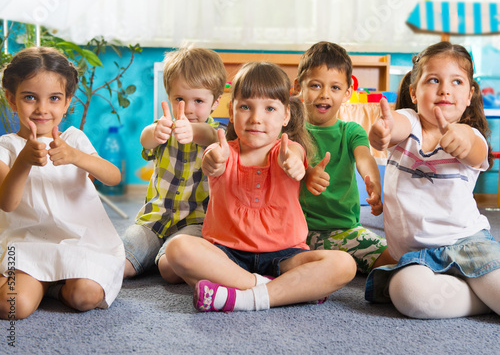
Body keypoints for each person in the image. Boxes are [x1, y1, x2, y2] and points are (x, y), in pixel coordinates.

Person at [165, 62, 357, 312]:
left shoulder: (288, 151)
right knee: (177, 247)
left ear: (286, 115)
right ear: (231, 112)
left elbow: (294, 158)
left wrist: (296, 166)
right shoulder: (222, 151)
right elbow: (213, 159)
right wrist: (213, 161)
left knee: (344, 264)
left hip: (285, 256)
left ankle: (241, 296)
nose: (256, 118)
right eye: (245, 107)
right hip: (226, 254)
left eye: (269, 108)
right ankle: (276, 290)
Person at [365, 41, 500, 319]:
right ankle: (478, 299)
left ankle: (481, 288)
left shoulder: (470, 134)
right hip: (418, 258)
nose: (445, 89)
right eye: (434, 80)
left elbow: (474, 151)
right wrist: (381, 131)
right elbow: (393, 126)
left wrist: (460, 139)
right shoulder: (408, 123)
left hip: (469, 245)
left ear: (469, 94)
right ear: (414, 92)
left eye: (457, 81)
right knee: (407, 293)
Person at [0, 47, 125, 320]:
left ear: (67, 102)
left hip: (80, 241)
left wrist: (75, 156)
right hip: (28, 244)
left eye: (54, 98)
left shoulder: (74, 138)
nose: (42, 109)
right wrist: (23, 161)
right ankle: (42, 281)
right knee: (12, 307)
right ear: (11, 99)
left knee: (85, 296)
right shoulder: (6, 147)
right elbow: (7, 203)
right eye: (30, 97)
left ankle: (55, 287)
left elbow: (113, 176)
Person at [121, 47, 226, 281]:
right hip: (154, 219)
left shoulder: (218, 134)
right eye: (179, 99)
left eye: (198, 101)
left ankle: (159, 256)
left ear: (215, 102)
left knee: (169, 269)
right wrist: (154, 132)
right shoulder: (164, 126)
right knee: (122, 263)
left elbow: (208, 134)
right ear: (169, 97)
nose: (187, 109)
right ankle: (148, 255)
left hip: (196, 222)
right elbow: (145, 139)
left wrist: (192, 131)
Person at [294, 41, 394, 273]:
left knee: (397, 258)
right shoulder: (290, 131)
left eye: (335, 88)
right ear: (299, 87)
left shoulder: (351, 131)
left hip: (345, 231)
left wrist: (373, 184)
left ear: (348, 93)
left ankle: (330, 264)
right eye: (316, 85)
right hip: (295, 233)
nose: (324, 95)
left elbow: (364, 158)